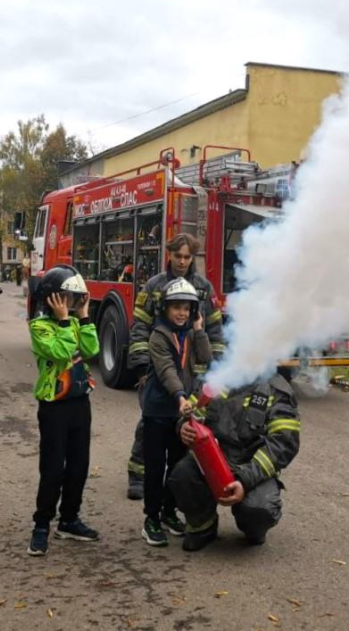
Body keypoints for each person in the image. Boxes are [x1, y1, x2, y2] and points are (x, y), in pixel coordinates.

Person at [124, 233, 226, 499]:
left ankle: (179, 480)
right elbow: (139, 328)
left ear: (193, 258)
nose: (182, 261)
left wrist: (216, 367)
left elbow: (215, 329)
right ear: (168, 254)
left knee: (187, 426)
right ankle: (137, 473)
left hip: (193, 371)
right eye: (177, 255)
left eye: (187, 257)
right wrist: (142, 368)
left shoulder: (204, 289)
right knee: (150, 422)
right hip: (159, 368)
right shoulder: (154, 286)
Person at [169, 373, 300, 552]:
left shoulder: (277, 390)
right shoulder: (219, 376)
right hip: (212, 460)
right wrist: (184, 426)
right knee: (181, 476)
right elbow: (190, 412)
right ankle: (203, 527)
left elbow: (283, 444)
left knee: (260, 510)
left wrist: (245, 480)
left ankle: (253, 528)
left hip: (252, 467)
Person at [27, 265, 100, 557]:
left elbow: (91, 349)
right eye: (66, 298)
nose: (70, 303)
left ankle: (69, 519)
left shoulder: (72, 321)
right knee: (53, 468)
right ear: (52, 298)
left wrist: (83, 318)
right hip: (54, 405)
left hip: (79, 401)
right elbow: (61, 352)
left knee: (79, 465)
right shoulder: (39, 326)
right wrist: (66, 321)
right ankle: (42, 525)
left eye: (74, 298)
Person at [140, 278, 212, 547]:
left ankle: (168, 511)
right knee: (155, 467)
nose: (181, 313)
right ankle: (151, 520)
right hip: (158, 411)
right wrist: (181, 396)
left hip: (181, 413)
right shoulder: (158, 336)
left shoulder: (191, 333)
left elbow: (205, 358)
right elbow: (167, 370)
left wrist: (199, 330)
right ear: (165, 309)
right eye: (176, 308)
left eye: (187, 308)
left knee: (178, 465)